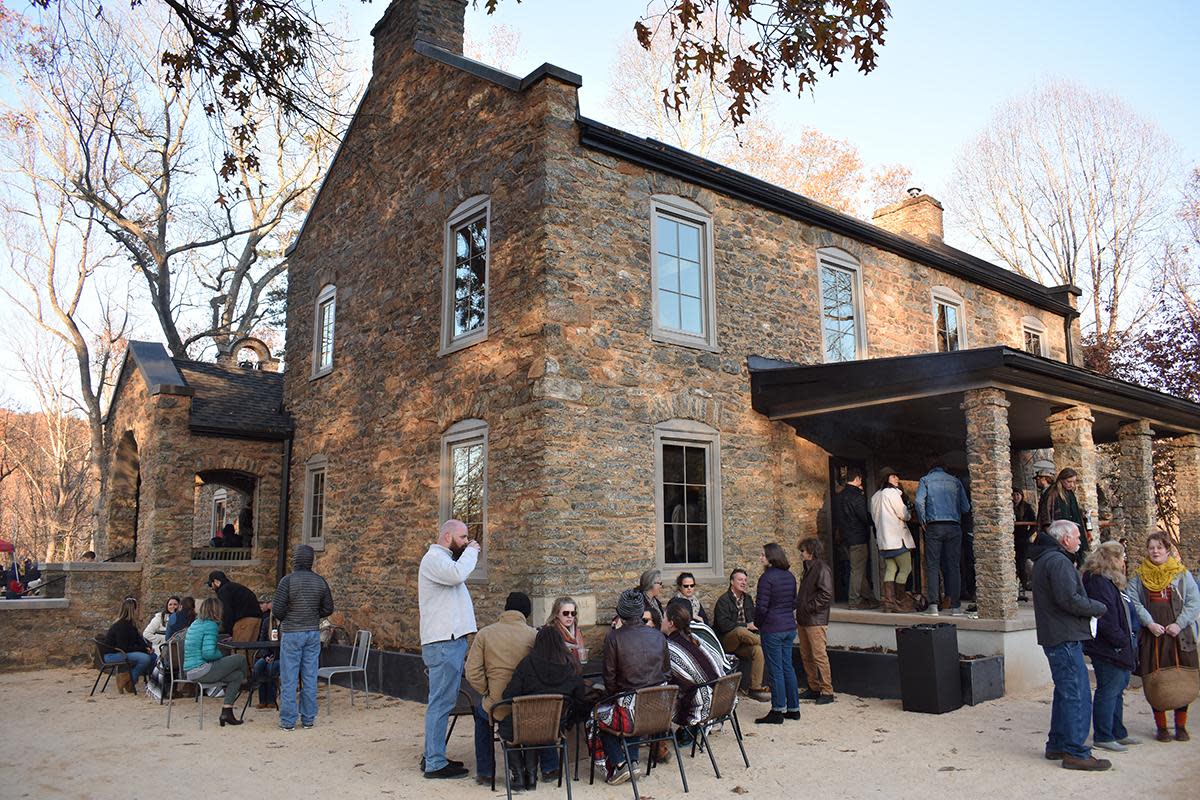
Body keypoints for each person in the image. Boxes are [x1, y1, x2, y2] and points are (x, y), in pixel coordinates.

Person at [1028, 519, 1110, 770]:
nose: (1079, 541)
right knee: (1077, 694)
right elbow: (1069, 600)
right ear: (1065, 539)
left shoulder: (1047, 559)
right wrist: (1098, 608)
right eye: (1076, 537)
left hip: (1057, 635)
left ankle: (1058, 744)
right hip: (1064, 636)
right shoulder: (1058, 561)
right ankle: (1075, 751)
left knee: (1065, 692)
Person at [419, 519, 480, 779]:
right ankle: (434, 762)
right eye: (463, 537)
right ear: (447, 537)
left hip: (449, 641)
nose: (466, 542)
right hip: (444, 643)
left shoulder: (443, 561)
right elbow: (458, 575)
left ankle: (433, 755)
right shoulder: (434, 560)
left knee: (442, 701)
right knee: (441, 703)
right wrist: (472, 551)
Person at [1126, 531, 1200, 743]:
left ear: (1168, 549)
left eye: (1159, 547)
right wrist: (1149, 623)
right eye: (1151, 548)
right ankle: (1162, 728)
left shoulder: (1182, 575)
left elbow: (1194, 602)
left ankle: (1181, 726)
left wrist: (1178, 624)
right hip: (1153, 636)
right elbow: (1134, 602)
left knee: (1181, 679)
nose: (1155, 551)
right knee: (1156, 680)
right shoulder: (1140, 577)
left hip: (1179, 635)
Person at [595, 589, 669, 786]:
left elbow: (609, 679)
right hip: (658, 710)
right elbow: (667, 672)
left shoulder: (614, 638)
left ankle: (620, 764)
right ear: (640, 613)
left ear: (620, 613)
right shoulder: (658, 636)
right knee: (627, 705)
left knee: (596, 717)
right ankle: (632, 761)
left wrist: (609, 698)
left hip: (631, 712)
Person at [500, 626, 588, 790]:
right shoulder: (572, 666)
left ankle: (519, 776)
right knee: (534, 728)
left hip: (526, 724)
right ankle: (531, 777)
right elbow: (580, 699)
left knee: (508, 726)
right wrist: (569, 719)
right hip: (555, 728)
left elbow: (509, 695)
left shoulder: (527, 663)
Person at [466, 592, 537, 788]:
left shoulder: (485, 634)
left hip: (498, 703)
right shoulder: (534, 635)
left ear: (505, 609)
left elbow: (471, 672)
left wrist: (487, 690)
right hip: (528, 706)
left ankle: (486, 772)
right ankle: (549, 768)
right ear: (526, 613)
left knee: (482, 718)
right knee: (545, 718)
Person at [1081, 541, 1139, 752]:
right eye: (1122, 557)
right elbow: (1105, 617)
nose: (1124, 562)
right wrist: (1121, 640)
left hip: (1117, 644)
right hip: (1108, 647)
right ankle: (1104, 735)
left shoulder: (1107, 580)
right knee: (1108, 690)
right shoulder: (1098, 582)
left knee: (1117, 689)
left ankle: (1118, 732)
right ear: (1112, 558)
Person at [273, 544, 335, 732]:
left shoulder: (287, 581)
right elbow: (328, 609)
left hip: (292, 632)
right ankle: (308, 719)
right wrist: (314, 615)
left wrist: (289, 616)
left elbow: (277, 610)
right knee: (309, 676)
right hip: (312, 632)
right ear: (311, 561)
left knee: (289, 678)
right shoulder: (320, 581)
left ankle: (288, 720)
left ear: (295, 560)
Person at [914, 459, 972, 615]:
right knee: (953, 566)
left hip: (934, 526)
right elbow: (966, 507)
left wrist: (923, 520)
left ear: (930, 468)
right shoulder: (955, 481)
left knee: (932, 565)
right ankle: (956, 606)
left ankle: (933, 606)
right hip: (954, 526)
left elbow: (919, 502)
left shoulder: (925, 480)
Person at [753, 543, 800, 724]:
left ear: (771, 557)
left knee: (776, 669)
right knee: (787, 666)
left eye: (763, 555)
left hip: (773, 628)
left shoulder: (766, 578)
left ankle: (778, 709)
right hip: (789, 626)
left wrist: (758, 623)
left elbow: (762, 606)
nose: (761, 558)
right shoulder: (789, 576)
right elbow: (793, 602)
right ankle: (794, 708)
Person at [183, 597, 247, 727]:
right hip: (203, 669)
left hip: (191, 670)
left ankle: (227, 712)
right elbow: (209, 654)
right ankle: (248, 683)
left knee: (237, 676)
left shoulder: (195, 624)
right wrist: (220, 654)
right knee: (241, 659)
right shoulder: (210, 625)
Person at [663, 598, 724, 729]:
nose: (661, 621)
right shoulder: (693, 638)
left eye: (663, 617)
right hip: (722, 697)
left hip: (702, 705)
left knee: (655, 700)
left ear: (670, 623)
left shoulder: (671, 648)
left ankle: (662, 741)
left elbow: (675, 682)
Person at [712, 568, 771, 702]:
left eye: (745, 580)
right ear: (732, 582)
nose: (743, 582)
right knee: (740, 630)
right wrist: (746, 626)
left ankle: (755, 688)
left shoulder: (748, 599)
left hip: (746, 641)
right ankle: (766, 642)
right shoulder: (723, 600)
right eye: (740, 580)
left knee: (758, 650)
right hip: (728, 641)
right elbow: (723, 626)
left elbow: (754, 621)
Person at [795, 537, 835, 704]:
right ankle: (814, 687)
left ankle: (827, 691)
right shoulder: (809, 568)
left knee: (819, 655)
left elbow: (826, 594)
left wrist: (809, 607)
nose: (801, 554)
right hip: (805, 618)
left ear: (810, 551)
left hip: (815, 619)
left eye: (803, 551)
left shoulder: (821, 569)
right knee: (806, 655)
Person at [871, 467, 915, 613]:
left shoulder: (875, 496)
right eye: (893, 476)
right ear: (886, 479)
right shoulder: (892, 493)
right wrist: (909, 512)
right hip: (897, 538)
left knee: (891, 569)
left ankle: (889, 602)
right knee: (905, 568)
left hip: (884, 540)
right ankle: (900, 600)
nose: (897, 479)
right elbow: (903, 514)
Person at [837, 468, 878, 609]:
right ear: (858, 479)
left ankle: (871, 599)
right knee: (857, 571)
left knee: (857, 569)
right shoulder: (856, 496)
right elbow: (863, 516)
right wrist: (874, 521)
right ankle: (854, 601)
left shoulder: (839, 496)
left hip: (845, 538)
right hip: (858, 537)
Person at [1038, 468, 1090, 567]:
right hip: (1059, 534)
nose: (1071, 485)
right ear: (1061, 480)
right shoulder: (1052, 493)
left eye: (1074, 482)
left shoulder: (1070, 494)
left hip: (1071, 532)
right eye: (1069, 481)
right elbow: (1046, 516)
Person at [104, 597, 157, 693]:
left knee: (153, 657)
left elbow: (138, 639)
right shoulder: (121, 626)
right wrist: (144, 650)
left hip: (125, 652)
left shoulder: (131, 624)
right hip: (113, 655)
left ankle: (153, 684)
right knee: (144, 659)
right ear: (133, 610)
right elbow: (124, 647)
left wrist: (147, 648)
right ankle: (127, 678)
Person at [206, 570, 261, 642]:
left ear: (216, 581)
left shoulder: (223, 590)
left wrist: (229, 631)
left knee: (239, 650)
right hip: (256, 620)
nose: (211, 588)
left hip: (244, 622)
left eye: (211, 584)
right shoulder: (233, 587)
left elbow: (226, 612)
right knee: (249, 650)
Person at [252, 594, 280, 710]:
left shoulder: (286, 624)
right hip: (268, 654)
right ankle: (263, 700)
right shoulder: (267, 621)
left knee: (271, 668)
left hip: (280, 656)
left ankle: (271, 699)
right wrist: (266, 655)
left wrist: (273, 656)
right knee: (258, 667)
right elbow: (262, 640)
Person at [547, 596, 587, 664]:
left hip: (575, 670)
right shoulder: (549, 632)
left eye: (573, 613)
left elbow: (582, 655)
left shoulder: (577, 632)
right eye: (565, 613)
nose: (570, 616)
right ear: (556, 614)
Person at [1013, 488, 1037, 598]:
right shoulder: (1009, 507)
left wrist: (1028, 535)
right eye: (1014, 495)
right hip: (1012, 538)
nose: (1016, 497)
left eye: (1018, 494)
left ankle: (1023, 584)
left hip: (1022, 539)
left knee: (1022, 563)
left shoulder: (1026, 507)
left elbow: (1034, 523)